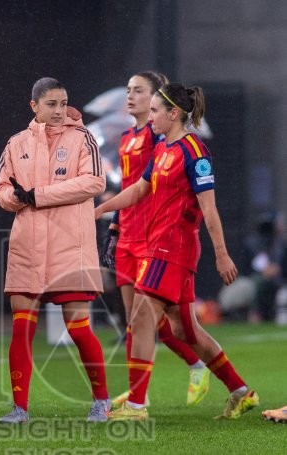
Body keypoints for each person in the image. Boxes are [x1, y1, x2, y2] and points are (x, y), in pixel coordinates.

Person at [95, 83, 259, 421]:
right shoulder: (161, 148)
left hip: (174, 248)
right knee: (186, 330)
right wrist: (100, 210)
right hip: (160, 246)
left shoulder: (194, 152)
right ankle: (242, 392)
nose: (149, 116)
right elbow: (138, 190)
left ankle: (137, 405)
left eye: (155, 110)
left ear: (174, 114)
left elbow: (209, 209)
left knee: (140, 318)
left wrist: (222, 254)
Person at [0, 77, 110, 424]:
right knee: (21, 330)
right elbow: (0, 188)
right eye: (51, 104)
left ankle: (102, 402)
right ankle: (20, 409)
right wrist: (14, 198)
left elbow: (94, 183)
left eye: (63, 103)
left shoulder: (82, 139)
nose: (59, 111)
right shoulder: (16, 143)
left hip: (68, 248)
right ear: (34, 107)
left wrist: (37, 195)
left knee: (78, 329)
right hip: (27, 247)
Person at [99, 71, 210, 407]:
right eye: (128, 90)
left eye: (138, 91)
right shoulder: (125, 138)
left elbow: (154, 185)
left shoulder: (156, 135)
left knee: (150, 322)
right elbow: (130, 186)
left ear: (156, 100)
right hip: (128, 234)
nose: (130, 96)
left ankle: (150, 392)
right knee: (140, 322)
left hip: (155, 236)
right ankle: (149, 390)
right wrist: (115, 227)